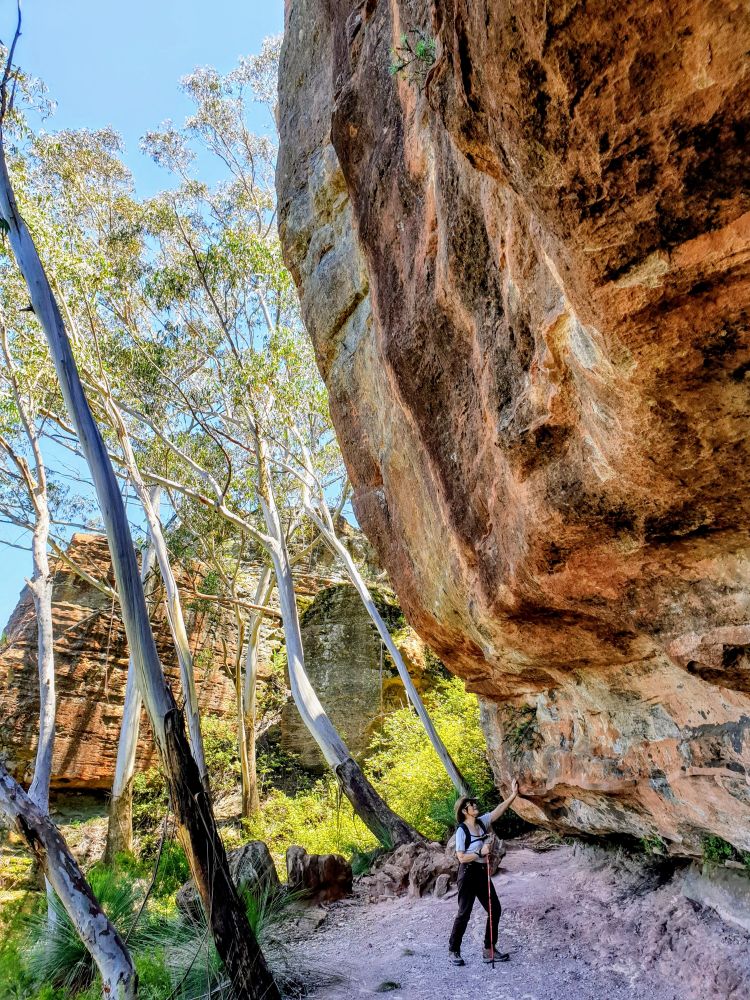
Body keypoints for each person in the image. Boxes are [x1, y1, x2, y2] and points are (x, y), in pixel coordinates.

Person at [448, 778, 519, 967]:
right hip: (468, 872)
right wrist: (480, 851)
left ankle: (489, 949)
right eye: (472, 804)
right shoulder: (462, 830)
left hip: (481, 872)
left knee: (495, 909)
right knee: (464, 912)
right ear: (464, 810)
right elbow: (461, 857)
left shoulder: (480, 823)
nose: (475, 805)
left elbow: (497, 811)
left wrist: (513, 795)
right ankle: (454, 950)